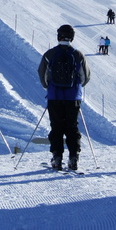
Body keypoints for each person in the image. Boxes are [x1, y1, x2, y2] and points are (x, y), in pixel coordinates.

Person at [38, 25, 90, 170]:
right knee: (72, 127)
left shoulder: (50, 54)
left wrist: (48, 86)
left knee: (56, 126)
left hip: (54, 96)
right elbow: (85, 76)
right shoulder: (78, 55)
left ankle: (57, 157)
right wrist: (77, 88)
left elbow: (42, 73)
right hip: (73, 97)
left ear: (58, 36)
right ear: (71, 37)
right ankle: (73, 157)